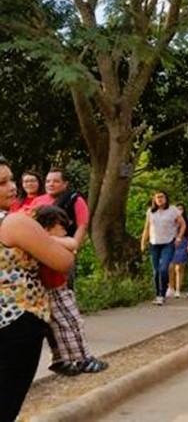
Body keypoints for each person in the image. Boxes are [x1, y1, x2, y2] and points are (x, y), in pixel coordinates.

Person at [0, 161, 75, 421]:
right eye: (2, 183)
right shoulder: (15, 223)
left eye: (11, 180)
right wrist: (53, 240)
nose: (12, 187)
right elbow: (63, 262)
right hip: (17, 322)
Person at [33, 168, 108, 376]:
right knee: (69, 324)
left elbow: (76, 235)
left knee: (63, 325)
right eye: (61, 226)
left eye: (55, 181)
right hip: (54, 290)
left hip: (56, 288)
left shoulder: (74, 200)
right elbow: (70, 243)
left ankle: (63, 359)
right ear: (48, 227)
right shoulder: (46, 243)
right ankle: (81, 359)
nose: (66, 229)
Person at [140, 191, 186, 306]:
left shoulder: (172, 210)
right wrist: (143, 242)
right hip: (154, 243)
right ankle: (157, 294)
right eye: (157, 197)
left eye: (162, 197)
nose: (160, 199)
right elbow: (147, 228)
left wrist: (179, 237)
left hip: (168, 242)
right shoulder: (151, 212)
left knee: (164, 268)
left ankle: (162, 294)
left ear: (166, 199)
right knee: (156, 270)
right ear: (154, 200)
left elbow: (183, 224)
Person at [167, 203, 188, 298]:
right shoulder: (170, 219)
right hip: (171, 243)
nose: (179, 211)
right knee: (170, 267)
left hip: (183, 243)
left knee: (179, 267)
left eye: (181, 209)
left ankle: (178, 289)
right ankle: (170, 288)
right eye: (177, 209)